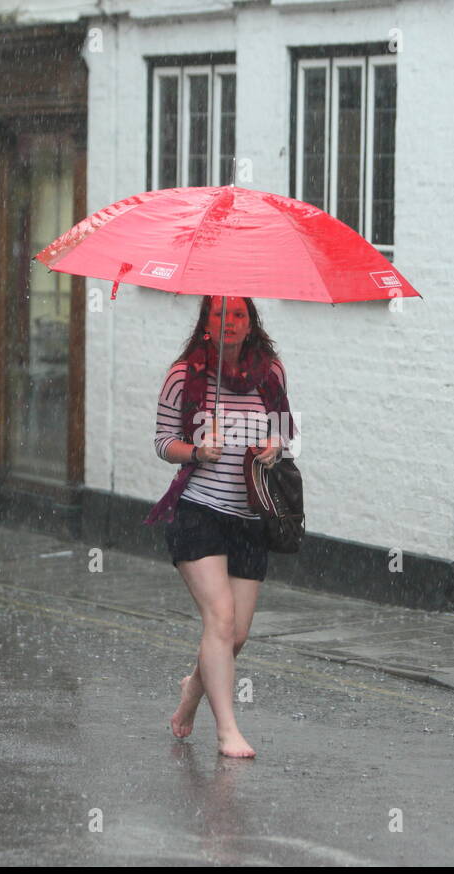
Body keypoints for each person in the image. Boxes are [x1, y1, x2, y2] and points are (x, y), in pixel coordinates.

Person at [147, 294, 297, 758]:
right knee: (220, 618)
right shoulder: (183, 375)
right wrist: (196, 452)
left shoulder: (271, 373)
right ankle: (228, 731)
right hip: (198, 512)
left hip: (251, 516)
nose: (229, 322)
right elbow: (162, 441)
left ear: (251, 322)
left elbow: (287, 430)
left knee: (237, 636)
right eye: (219, 314)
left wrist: (276, 443)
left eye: (238, 314)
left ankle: (192, 692)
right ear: (206, 322)